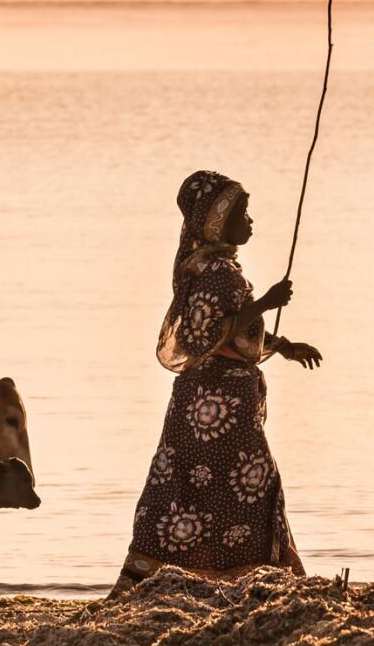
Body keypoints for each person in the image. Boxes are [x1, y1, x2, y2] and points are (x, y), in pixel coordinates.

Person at [111, 170, 324, 596]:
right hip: (215, 404)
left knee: (199, 487)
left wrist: (283, 346)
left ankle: (224, 575)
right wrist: (266, 303)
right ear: (216, 221)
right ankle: (255, 577)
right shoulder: (213, 272)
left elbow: (234, 332)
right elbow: (203, 336)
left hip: (216, 401)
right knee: (248, 482)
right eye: (242, 214)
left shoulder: (217, 268)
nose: (250, 221)